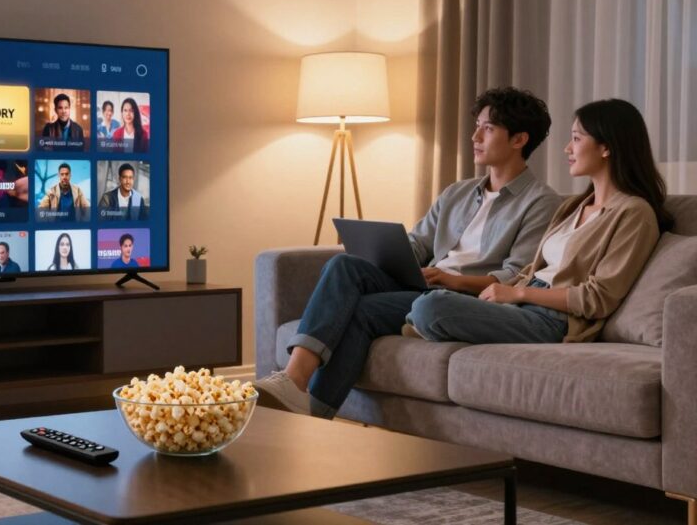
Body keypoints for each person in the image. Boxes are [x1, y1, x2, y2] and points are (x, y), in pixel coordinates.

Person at [256, 86, 562, 419]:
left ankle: (310, 409)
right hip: (422, 283)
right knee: (344, 265)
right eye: (476, 125)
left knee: (362, 311)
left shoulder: (541, 202)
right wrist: (377, 248)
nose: (474, 136)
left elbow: (514, 276)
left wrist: (452, 280)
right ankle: (294, 380)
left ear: (519, 140)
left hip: (458, 301)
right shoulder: (457, 193)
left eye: (487, 129)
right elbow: (419, 244)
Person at [405, 98, 671, 347]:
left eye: (577, 139)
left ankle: (426, 323)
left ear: (606, 147)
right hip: (519, 303)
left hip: (552, 319)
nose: (567, 148)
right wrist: (506, 290)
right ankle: (428, 323)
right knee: (417, 302)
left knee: (431, 306)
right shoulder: (574, 206)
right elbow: (532, 269)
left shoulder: (634, 213)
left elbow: (598, 298)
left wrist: (520, 295)